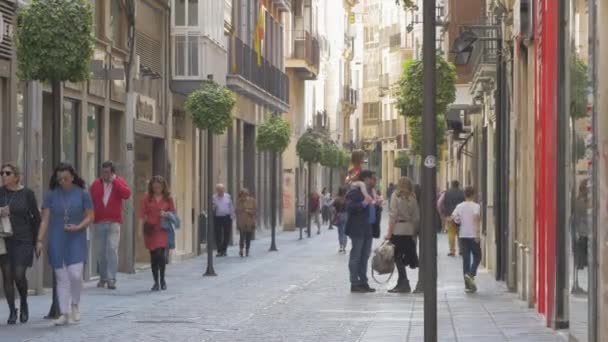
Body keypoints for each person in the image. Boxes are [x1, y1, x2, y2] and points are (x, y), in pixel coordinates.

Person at [35, 163, 94, 326]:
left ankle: (75, 304)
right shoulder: (51, 195)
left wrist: (79, 226)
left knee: (75, 274)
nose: (62, 181)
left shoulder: (83, 194)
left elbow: (90, 216)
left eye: (66, 178)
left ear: (73, 177)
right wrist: (39, 240)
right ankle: (64, 312)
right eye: (59, 179)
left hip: (76, 237)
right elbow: (45, 220)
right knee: (62, 278)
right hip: (56, 237)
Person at [0, 163, 41, 324]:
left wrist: (38, 241)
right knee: (7, 276)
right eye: (2, 173)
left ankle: (24, 302)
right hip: (4, 239)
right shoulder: (0, 193)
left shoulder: (27, 194)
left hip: (23, 239)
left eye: (7, 173)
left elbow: (36, 218)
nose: (3, 175)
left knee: (19, 274)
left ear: (16, 177)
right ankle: (12, 311)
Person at [89, 161, 131, 290]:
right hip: (99, 221)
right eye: (103, 172)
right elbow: (90, 200)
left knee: (112, 249)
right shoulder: (96, 184)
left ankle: (111, 279)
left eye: (107, 172)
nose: (104, 175)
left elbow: (127, 194)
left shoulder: (119, 181)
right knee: (101, 252)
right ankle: (103, 278)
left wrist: (115, 182)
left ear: (112, 172)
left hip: (114, 222)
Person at [139, 176, 175, 291]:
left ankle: (162, 279)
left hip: (163, 230)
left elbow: (173, 213)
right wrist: (139, 231)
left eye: (159, 187)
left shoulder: (168, 198)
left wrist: (167, 214)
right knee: (154, 256)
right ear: (152, 187)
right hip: (151, 230)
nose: (157, 189)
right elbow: (141, 215)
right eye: (155, 187)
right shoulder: (146, 197)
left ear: (163, 187)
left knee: (161, 255)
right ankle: (156, 282)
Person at [385, 177, 420, 293]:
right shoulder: (413, 198)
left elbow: (393, 215)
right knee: (402, 257)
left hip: (398, 230)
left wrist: (389, 233)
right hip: (409, 230)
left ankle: (404, 283)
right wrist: (414, 233)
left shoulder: (396, 195)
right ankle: (401, 283)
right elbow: (416, 217)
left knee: (397, 257)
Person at [345, 170, 376, 293]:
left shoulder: (370, 192)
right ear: (366, 179)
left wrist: (376, 206)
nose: (375, 181)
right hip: (357, 229)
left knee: (365, 257)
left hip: (368, 228)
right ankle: (354, 283)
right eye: (373, 178)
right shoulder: (355, 191)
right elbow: (349, 207)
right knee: (356, 257)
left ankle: (363, 282)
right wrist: (363, 203)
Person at [451, 186, 481, 293]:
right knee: (477, 256)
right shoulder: (476, 206)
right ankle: (471, 274)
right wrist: (477, 233)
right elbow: (476, 219)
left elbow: (453, 217)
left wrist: (459, 221)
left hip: (463, 235)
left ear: (465, 195)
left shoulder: (459, 206)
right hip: (473, 235)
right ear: (473, 195)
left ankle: (467, 286)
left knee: (466, 259)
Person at [444, 180, 465, 256]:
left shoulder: (447, 193)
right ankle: (461, 250)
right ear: (458, 185)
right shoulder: (462, 193)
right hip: (460, 216)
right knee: (460, 233)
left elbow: (445, 204)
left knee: (451, 234)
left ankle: (452, 250)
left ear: (451, 185)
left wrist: (446, 215)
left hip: (450, 216)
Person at [212, 184, 234, 257]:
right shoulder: (214, 197)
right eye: (218, 190)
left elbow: (231, 206)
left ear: (224, 190)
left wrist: (232, 216)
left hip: (226, 217)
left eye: (221, 190)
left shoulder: (228, 196)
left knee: (226, 233)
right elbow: (212, 208)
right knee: (218, 234)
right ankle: (219, 250)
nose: (220, 191)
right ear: (217, 190)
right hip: (218, 217)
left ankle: (224, 250)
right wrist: (213, 207)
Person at [236, 188, 256, 257]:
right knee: (241, 237)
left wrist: (249, 211)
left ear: (247, 194)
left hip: (249, 222)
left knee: (248, 237)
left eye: (245, 195)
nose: (243, 197)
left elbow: (255, 211)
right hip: (242, 222)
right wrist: (238, 223)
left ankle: (247, 250)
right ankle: (241, 249)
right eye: (242, 195)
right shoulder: (239, 202)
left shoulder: (252, 201)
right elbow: (237, 212)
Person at [332, 187, 348, 253]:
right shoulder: (348, 199)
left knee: (340, 231)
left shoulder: (337, 199)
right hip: (347, 216)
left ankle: (341, 246)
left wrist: (335, 214)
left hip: (339, 215)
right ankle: (344, 246)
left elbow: (333, 209)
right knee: (345, 232)